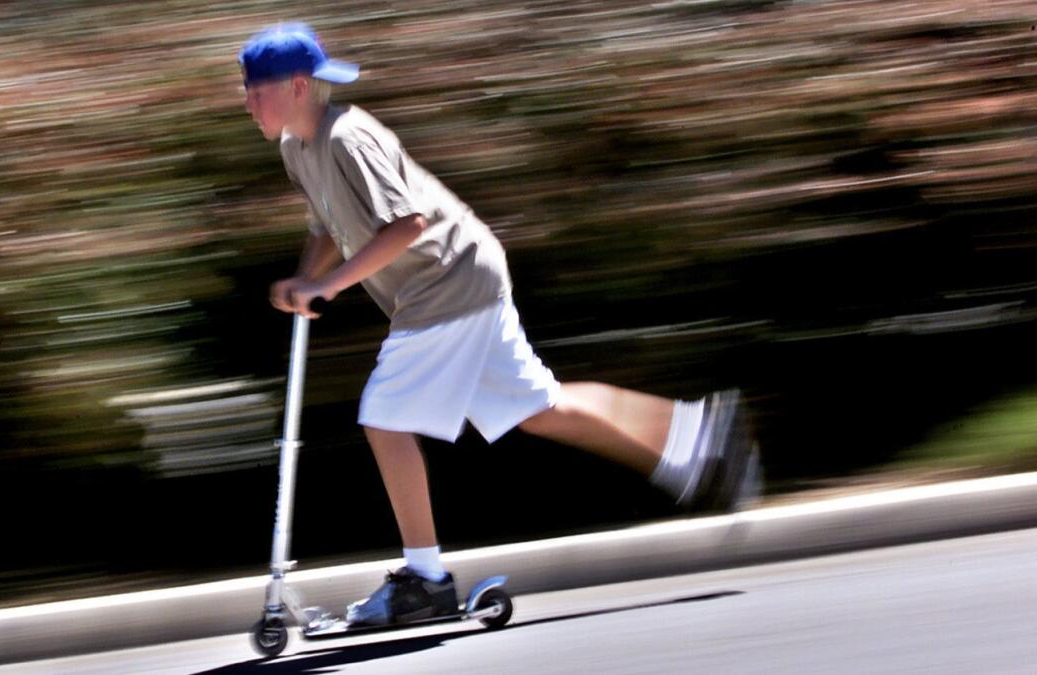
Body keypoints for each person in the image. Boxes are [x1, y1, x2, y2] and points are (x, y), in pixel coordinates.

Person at [239, 23, 761, 627]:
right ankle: (699, 440)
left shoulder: (348, 137)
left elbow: (406, 224)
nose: (247, 102)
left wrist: (328, 285)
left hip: (448, 281)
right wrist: (306, 279)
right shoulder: (297, 149)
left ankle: (426, 578)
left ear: (298, 87)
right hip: (462, 278)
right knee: (537, 407)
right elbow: (330, 224)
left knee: (383, 417)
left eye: (255, 91)